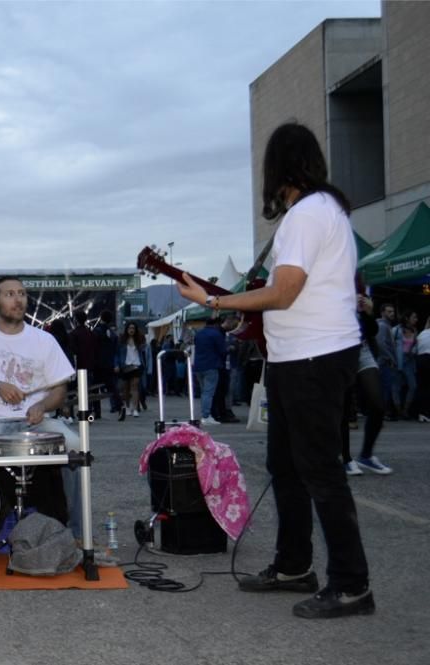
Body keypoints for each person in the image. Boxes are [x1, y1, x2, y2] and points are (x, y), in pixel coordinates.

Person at [179, 122, 373, 619]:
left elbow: (284, 291)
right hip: (296, 359)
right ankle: (294, 565)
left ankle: (352, 585)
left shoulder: (307, 215)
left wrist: (215, 299)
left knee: (320, 472)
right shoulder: (321, 212)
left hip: (314, 356)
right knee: (286, 468)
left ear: (279, 167)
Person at [0, 276, 84, 540]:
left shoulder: (44, 341)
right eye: (9, 294)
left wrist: (42, 405)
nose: (18, 299)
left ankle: (78, 534)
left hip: (38, 421)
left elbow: (59, 389)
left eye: (21, 293)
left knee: (75, 446)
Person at [342, 294, 390, 476]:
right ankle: (345, 458)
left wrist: (368, 313)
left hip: (362, 351)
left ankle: (367, 455)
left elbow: (371, 331)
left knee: (378, 405)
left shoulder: (357, 295)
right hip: (338, 352)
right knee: (344, 410)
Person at [192, 317, 226, 425]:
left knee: (204, 392)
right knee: (208, 393)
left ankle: (205, 414)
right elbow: (222, 350)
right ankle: (206, 416)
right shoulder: (216, 334)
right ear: (216, 324)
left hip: (198, 366)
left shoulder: (199, 334)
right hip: (211, 365)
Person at [115, 321, 146, 420]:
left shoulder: (139, 340)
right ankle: (127, 406)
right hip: (125, 365)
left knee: (135, 386)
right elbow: (117, 353)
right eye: (129, 328)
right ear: (126, 329)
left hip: (137, 365)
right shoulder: (122, 340)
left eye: (133, 328)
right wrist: (116, 365)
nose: (131, 330)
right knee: (126, 388)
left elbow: (143, 351)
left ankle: (135, 408)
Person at [374, 304, 397, 419]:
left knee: (384, 387)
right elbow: (381, 344)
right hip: (384, 361)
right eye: (389, 311)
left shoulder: (385, 325)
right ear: (382, 312)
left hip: (383, 361)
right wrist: (391, 358)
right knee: (385, 387)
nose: (392, 313)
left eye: (393, 311)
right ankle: (381, 412)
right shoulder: (383, 326)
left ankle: (382, 412)